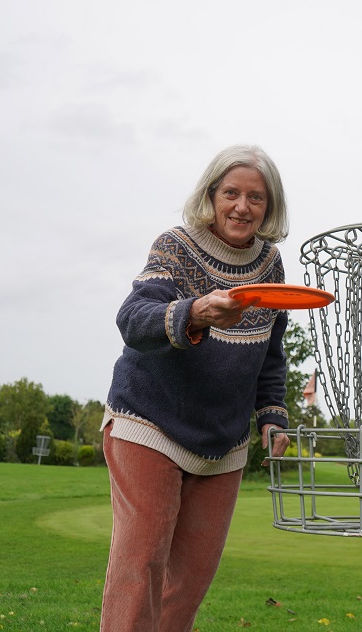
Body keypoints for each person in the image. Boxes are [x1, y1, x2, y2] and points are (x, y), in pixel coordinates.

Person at [99, 144, 292, 631]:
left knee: (190, 580)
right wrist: (196, 312)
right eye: (231, 193)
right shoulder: (175, 247)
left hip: (222, 438)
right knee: (141, 563)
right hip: (150, 421)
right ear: (211, 195)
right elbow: (133, 320)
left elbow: (270, 353)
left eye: (256, 198)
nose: (242, 207)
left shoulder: (271, 265)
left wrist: (272, 415)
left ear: (270, 208)